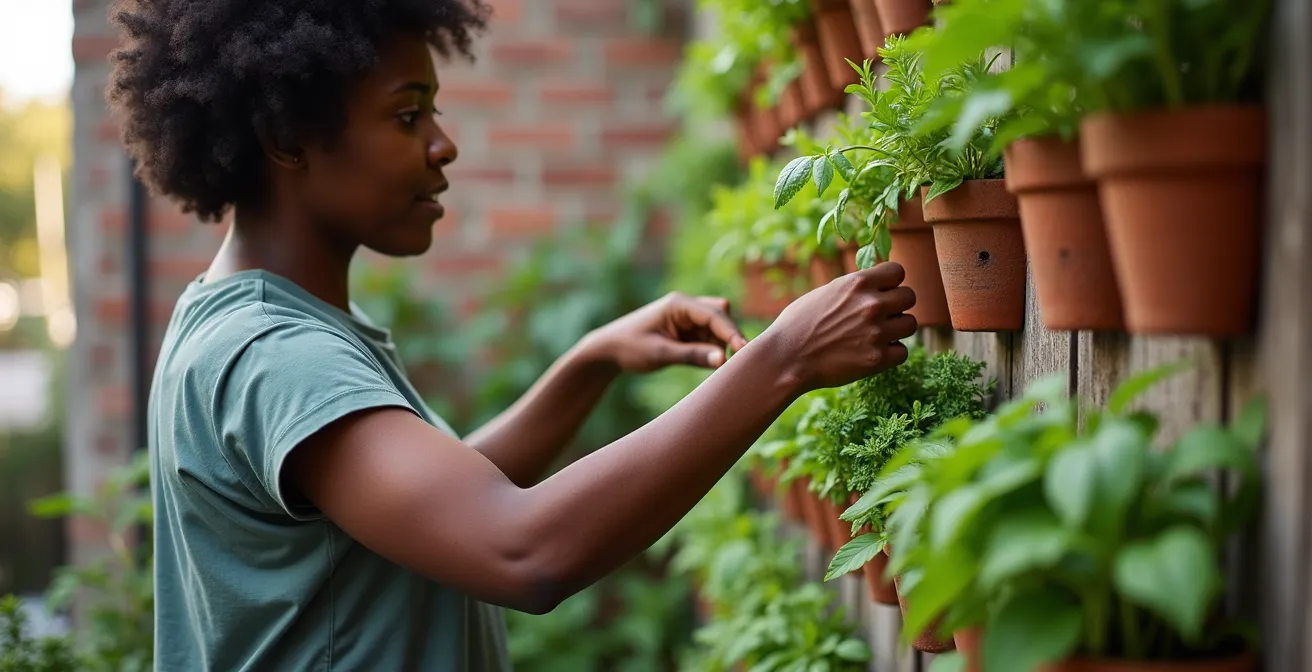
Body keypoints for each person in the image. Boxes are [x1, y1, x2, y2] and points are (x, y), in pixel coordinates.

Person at [107, 0, 917, 669]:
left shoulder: (242, 322)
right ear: (287, 139)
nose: (442, 143)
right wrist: (781, 361)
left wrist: (586, 363)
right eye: (406, 113)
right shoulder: (275, 357)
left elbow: (436, 505)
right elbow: (522, 553)